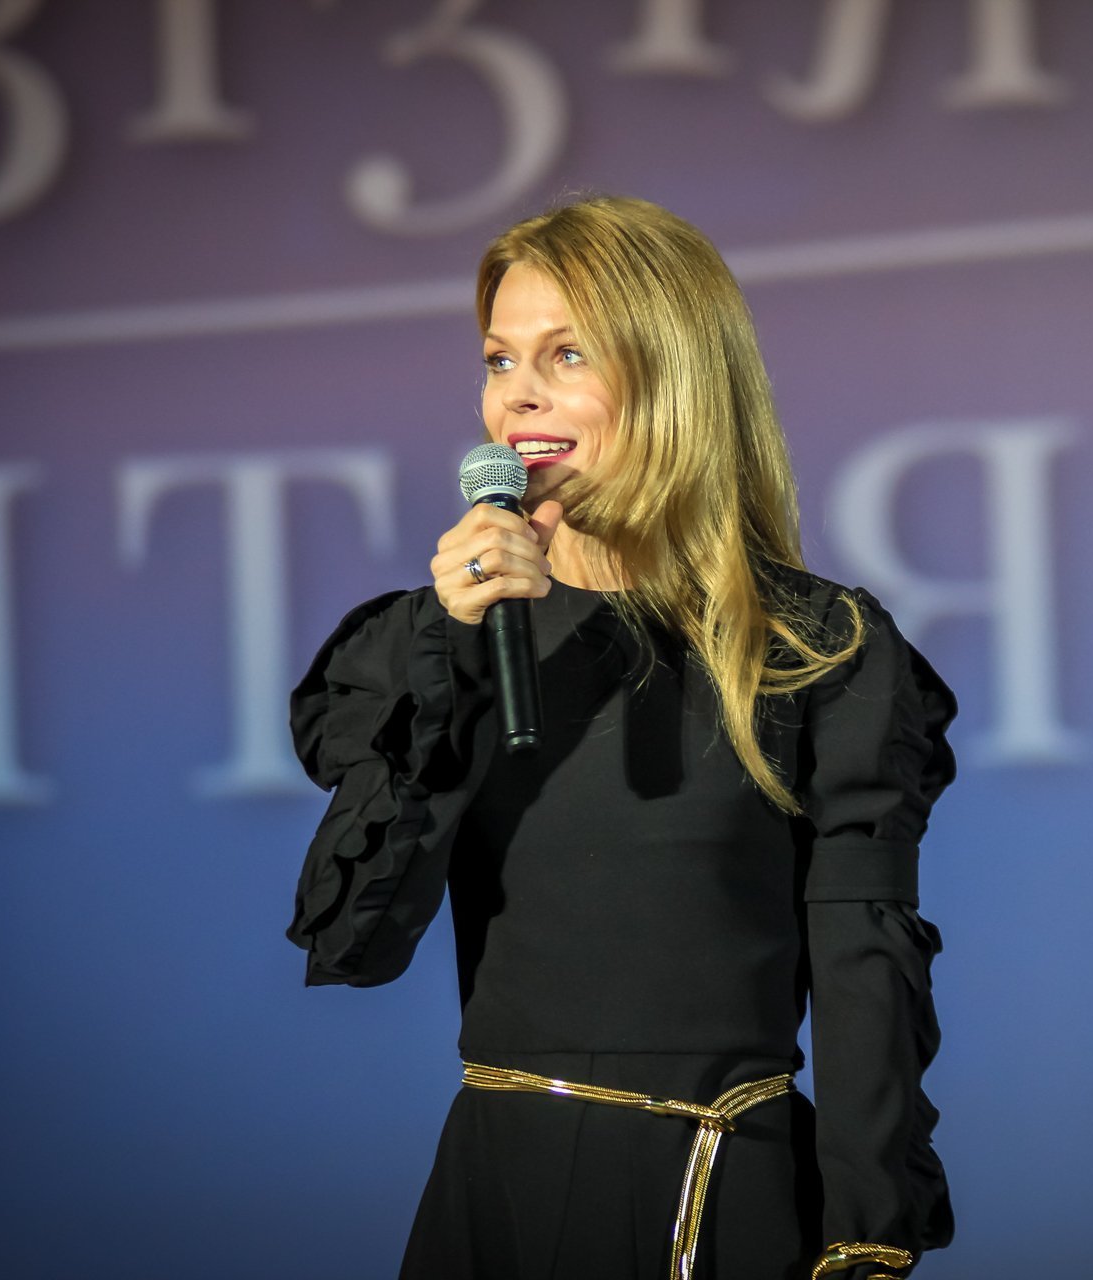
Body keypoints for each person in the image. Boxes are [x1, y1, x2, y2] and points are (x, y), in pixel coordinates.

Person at [285, 195, 957, 1280]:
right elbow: (354, 947)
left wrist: (866, 1238)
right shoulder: (431, 644)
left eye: (567, 354)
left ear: (674, 373)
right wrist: (456, 660)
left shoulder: (815, 646)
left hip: (722, 1193)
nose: (518, 395)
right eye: (499, 359)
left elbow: (862, 957)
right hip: (499, 1194)